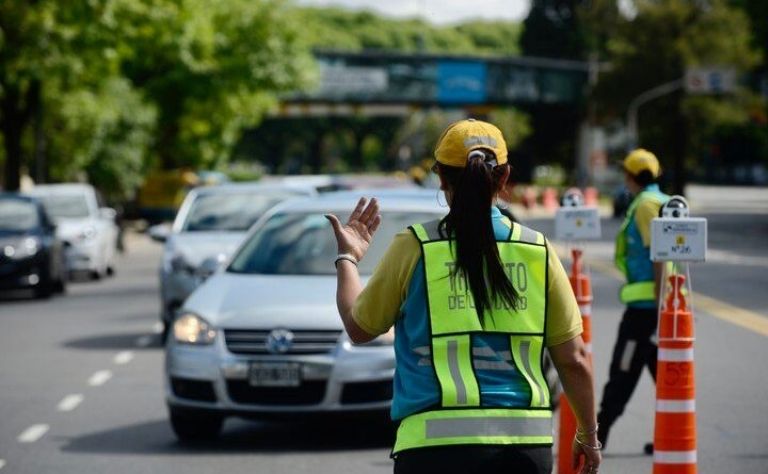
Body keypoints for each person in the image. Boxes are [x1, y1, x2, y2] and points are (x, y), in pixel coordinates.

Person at [325, 119, 601, 474]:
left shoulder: (414, 246)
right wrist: (588, 434)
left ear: (440, 177)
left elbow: (359, 327)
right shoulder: (538, 250)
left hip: (431, 450)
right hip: (522, 450)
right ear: (504, 178)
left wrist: (347, 258)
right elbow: (574, 359)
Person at [596, 148, 670, 449]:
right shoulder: (664, 201)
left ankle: (596, 439)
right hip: (662, 308)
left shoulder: (646, 205)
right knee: (665, 376)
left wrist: (659, 302)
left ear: (632, 176)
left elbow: (660, 254)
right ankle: (669, 436)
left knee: (622, 372)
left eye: (625, 173)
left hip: (646, 311)